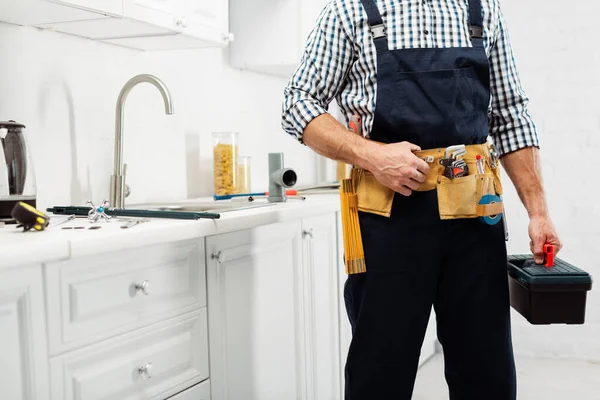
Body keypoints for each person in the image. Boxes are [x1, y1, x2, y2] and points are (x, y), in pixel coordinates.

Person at [281, 0, 562, 399]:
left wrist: (539, 213)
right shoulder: (350, 11)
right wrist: (372, 155)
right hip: (387, 221)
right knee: (379, 374)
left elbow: (511, 115)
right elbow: (297, 103)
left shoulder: (482, 10)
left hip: (476, 219)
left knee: (487, 376)